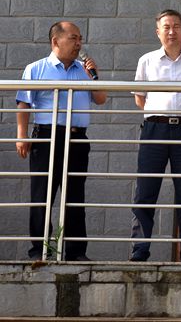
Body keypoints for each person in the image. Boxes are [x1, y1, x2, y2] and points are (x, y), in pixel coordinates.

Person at [16, 21, 107, 261]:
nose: (79, 44)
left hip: (77, 138)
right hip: (46, 137)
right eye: (73, 38)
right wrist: (21, 135)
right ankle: (40, 251)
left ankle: (76, 252)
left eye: (80, 39)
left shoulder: (83, 69)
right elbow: (23, 102)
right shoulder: (36, 69)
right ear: (56, 41)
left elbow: (101, 99)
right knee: (42, 196)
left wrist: (94, 76)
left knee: (75, 196)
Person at [130, 9, 181, 262]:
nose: (172, 31)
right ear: (158, 32)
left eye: (176, 26)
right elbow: (140, 99)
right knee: (145, 192)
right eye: (166, 27)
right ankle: (139, 251)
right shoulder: (146, 61)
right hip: (154, 129)